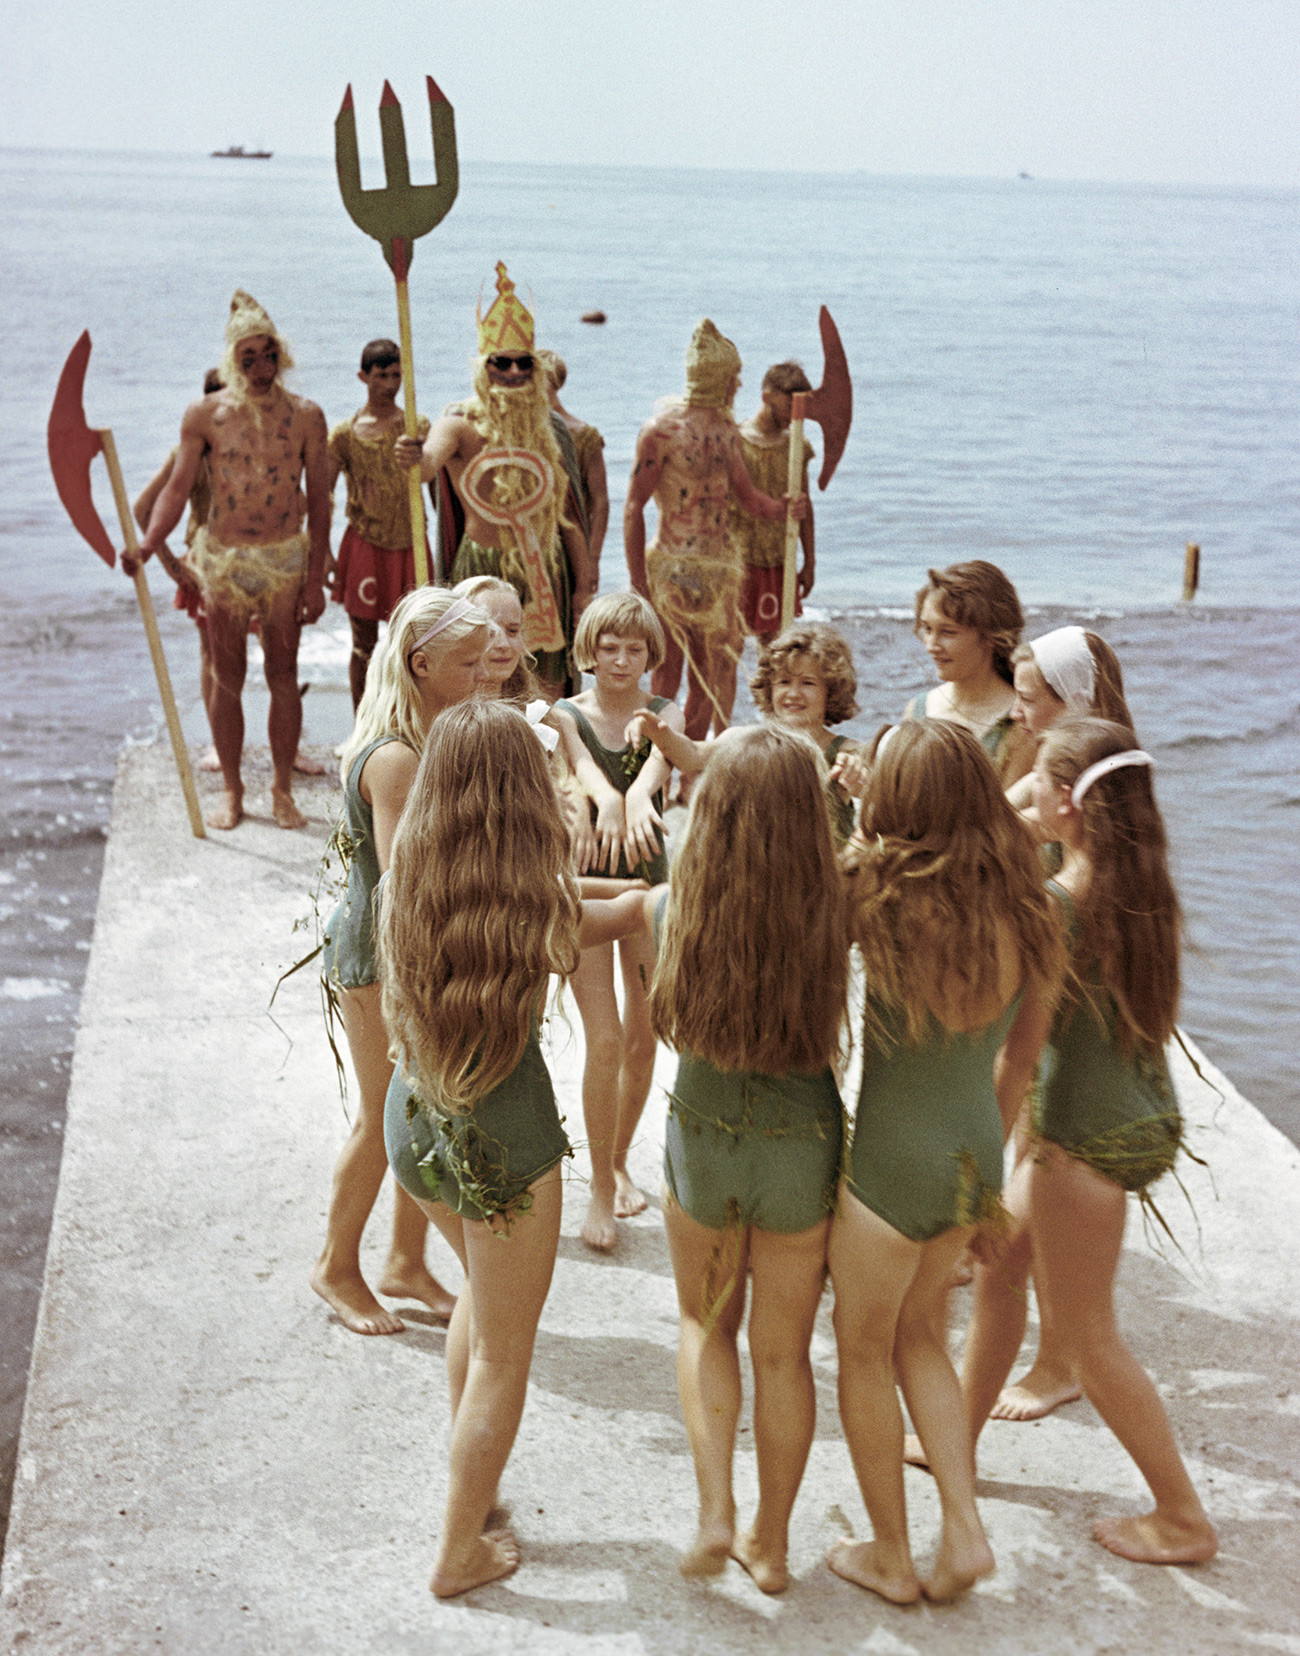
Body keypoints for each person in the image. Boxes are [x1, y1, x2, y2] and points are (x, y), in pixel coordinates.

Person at [379, 699, 646, 1596]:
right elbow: (608, 911)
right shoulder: (537, 908)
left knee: (479, 1311)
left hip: (413, 1126)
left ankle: (477, 1492)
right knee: (504, 1349)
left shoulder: (407, 882)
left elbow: (585, 903)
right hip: (505, 1142)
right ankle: (459, 1550)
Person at [959, 718, 1218, 1568]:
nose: (1023, 787)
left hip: (1083, 1142)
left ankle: (1182, 1515)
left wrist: (974, 1181)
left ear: (1067, 800)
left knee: (1088, 1335)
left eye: (1034, 778)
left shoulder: (1060, 903)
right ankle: (953, 1441)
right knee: (1003, 1273)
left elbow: (1016, 1056)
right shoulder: (1139, 884)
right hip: (1138, 1113)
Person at [827, 720, 1063, 1604]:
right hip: (972, 1156)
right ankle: (961, 1532)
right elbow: (1021, 1061)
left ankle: (891, 1551)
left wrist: (854, 821)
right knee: (921, 1338)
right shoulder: (1031, 905)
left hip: (888, 1158)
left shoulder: (874, 890)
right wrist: (987, 1180)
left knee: (861, 1351)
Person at [641, 725, 847, 1591]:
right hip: (801, 1140)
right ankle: (771, 1541)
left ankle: (715, 1509)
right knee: (784, 1355)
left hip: (705, 1134)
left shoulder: (669, 906)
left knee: (703, 1326)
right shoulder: (843, 903)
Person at [312, 589, 490, 1336]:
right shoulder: (396, 758)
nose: (486, 673)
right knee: (387, 1119)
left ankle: (406, 1264)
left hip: (394, 939)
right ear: (421, 664)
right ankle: (335, 1268)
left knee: (404, 1109)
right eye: (470, 662)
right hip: (377, 953)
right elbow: (400, 884)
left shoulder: (426, 732)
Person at [974, 625, 1137, 1423]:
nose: (1019, 711)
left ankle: (1056, 1362)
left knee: (1033, 1215)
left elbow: (995, 828)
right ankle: (1049, 1359)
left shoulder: (1069, 778)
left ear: (1070, 702)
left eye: (1032, 699)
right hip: (1074, 1011)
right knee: (1024, 1229)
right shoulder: (1090, 772)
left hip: (1073, 1026)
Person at [126, 289, 330, 830]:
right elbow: (174, 491)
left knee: (284, 674)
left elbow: (322, 501)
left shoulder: (307, 417)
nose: (261, 368)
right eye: (249, 358)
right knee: (227, 675)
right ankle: (234, 792)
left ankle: (282, 789)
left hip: (285, 559)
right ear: (232, 362)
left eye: (269, 356)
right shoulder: (206, 416)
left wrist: (317, 577)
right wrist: (149, 546)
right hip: (224, 563)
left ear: (281, 355)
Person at [549, 593, 685, 1250]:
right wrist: (607, 798)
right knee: (602, 1039)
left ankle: (624, 1159)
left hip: (650, 881)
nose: (622, 660)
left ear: (650, 654)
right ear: (589, 650)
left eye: (634, 649)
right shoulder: (566, 713)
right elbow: (579, 770)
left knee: (645, 1032)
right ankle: (600, 1185)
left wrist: (632, 796)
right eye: (609, 647)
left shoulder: (663, 713)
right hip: (583, 885)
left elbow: (657, 769)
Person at [396, 263, 593, 696]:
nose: (513, 371)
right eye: (501, 362)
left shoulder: (552, 430)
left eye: (523, 362)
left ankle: (548, 761)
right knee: (477, 676)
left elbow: (568, 516)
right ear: (485, 366)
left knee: (547, 684)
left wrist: (585, 586)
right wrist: (413, 455)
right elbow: (429, 464)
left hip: (546, 564)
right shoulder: (461, 423)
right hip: (481, 568)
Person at [625, 319, 805, 741]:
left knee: (712, 671)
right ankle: (656, 768)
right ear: (717, 379)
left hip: (719, 569)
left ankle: (691, 771)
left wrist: (784, 509)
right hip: (671, 564)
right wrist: (638, 581)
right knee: (666, 673)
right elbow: (634, 508)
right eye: (734, 378)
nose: (739, 385)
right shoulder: (660, 433)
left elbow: (748, 499)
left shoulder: (727, 434)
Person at [328, 339, 431, 709]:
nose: (390, 383)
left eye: (397, 375)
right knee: (363, 643)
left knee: (415, 639)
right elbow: (323, 494)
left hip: (411, 543)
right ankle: (362, 723)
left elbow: (436, 487)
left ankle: (408, 718)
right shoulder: (343, 435)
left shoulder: (417, 426)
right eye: (381, 375)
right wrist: (323, 552)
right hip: (364, 544)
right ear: (363, 377)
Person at [906, 561, 1034, 788]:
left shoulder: (1019, 721)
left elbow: (1011, 819)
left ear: (991, 636)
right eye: (927, 629)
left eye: (948, 632)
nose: (931, 645)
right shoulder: (918, 709)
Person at [730, 362, 816, 643]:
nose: (794, 415)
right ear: (767, 397)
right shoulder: (735, 441)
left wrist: (810, 561)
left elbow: (805, 506)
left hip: (780, 557)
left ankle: (767, 690)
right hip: (739, 558)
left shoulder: (796, 445)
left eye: (799, 408)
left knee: (776, 642)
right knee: (731, 638)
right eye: (788, 405)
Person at [537, 349, 609, 571]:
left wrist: (593, 560)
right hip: (543, 542)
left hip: (566, 543)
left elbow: (600, 502)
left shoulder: (585, 437)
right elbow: (601, 503)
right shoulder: (584, 434)